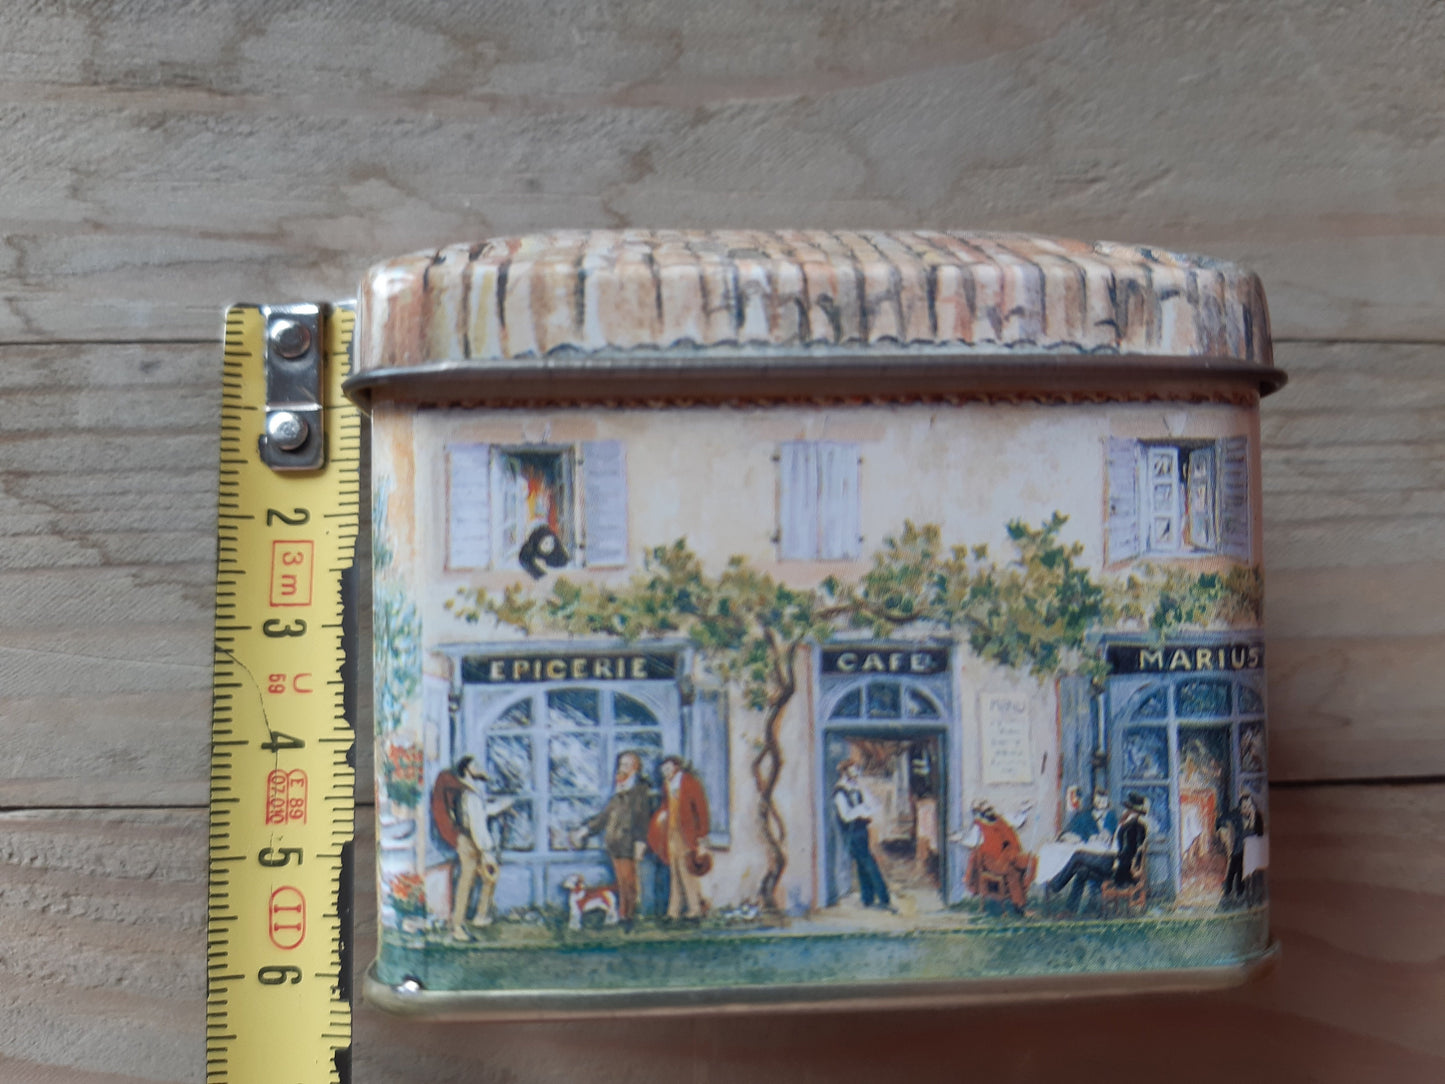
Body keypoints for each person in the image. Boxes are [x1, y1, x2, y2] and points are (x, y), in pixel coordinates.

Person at [430, 755, 514, 940]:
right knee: (469, 879)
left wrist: (502, 805)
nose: (479, 767)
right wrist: (486, 852)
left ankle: (480, 916)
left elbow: (481, 813)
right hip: (469, 840)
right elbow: (477, 824)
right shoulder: (469, 793)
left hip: (469, 838)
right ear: (467, 769)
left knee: (486, 876)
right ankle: (458, 925)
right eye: (475, 765)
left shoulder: (470, 790)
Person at [570, 751, 655, 928]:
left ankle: (627, 916)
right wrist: (585, 831)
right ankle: (623, 914)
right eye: (621, 765)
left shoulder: (639, 793)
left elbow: (643, 820)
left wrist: (640, 842)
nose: (622, 769)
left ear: (635, 769)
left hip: (628, 844)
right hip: (615, 845)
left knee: (628, 883)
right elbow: (603, 818)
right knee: (621, 882)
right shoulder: (618, 794)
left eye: (626, 765)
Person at [1047, 791, 1150, 915]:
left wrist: (1111, 858)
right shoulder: (1126, 824)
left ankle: (1056, 885)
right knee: (1081, 870)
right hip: (1113, 862)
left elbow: (1129, 854)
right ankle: (1071, 909)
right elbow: (1119, 845)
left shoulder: (1134, 826)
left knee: (1078, 855)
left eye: (1127, 809)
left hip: (1117, 867)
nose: (1124, 811)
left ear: (1132, 811)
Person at [648, 755, 711, 921]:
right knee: (674, 872)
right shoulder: (667, 785)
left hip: (686, 835)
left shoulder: (690, 783)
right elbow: (666, 806)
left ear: (676, 767)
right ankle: (673, 911)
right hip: (671, 833)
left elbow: (701, 810)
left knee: (687, 872)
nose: (665, 772)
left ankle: (695, 909)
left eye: (668, 769)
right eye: (663, 770)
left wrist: (702, 837)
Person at [956, 799, 1037, 915]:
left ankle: (1024, 888)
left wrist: (1024, 810)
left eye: (988, 806)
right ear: (979, 812)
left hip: (1009, 855)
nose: (988, 809)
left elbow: (1018, 820)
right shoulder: (978, 827)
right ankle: (1019, 907)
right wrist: (959, 839)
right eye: (983, 807)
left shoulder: (1001, 819)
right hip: (993, 861)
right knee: (1013, 872)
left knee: (1031, 861)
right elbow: (970, 841)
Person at [832, 760, 893, 911]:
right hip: (851, 832)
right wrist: (861, 810)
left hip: (861, 830)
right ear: (845, 772)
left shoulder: (857, 787)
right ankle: (883, 897)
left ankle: (867, 898)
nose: (856, 773)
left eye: (857, 770)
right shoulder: (840, 792)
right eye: (853, 770)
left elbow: (874, 804)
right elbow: (846, 816)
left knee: (862, 863)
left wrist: (867, 809)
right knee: (868, 862)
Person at [1216, 792, 1265, 907]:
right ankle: (1231, 891)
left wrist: (1252, 821)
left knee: (1242, 863)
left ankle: (1241, 891)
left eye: (1249, 806)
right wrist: (1221, 829)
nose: (1247, 809)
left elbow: (1260, 835)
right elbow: (1220, 819)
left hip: (1254, 850)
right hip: (1239, 848)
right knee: (1236, 863)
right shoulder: (1236, 815)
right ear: (1240, 808)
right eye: (1244, 807)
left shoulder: (1257, 817)